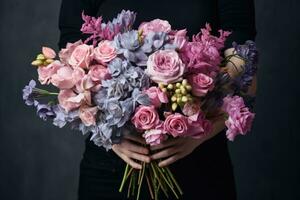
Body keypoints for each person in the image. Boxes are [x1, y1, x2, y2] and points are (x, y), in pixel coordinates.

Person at [58, 0, 256, 199]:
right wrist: (109, 135)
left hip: (199, 165)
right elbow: (71, 65)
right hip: (110, 170)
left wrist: (199, 133)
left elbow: (245, 71)